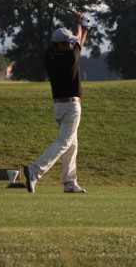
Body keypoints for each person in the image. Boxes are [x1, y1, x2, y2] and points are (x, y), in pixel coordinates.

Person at [24, 10, 91, 194]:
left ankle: (70, 182)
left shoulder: (49, 56)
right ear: (60, 45)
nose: (70, 44)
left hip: (58, 107)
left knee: (72, 144)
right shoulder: (70, 57)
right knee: (63, 142)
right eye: (67, 43)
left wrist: (84, 26)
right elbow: (78, 41)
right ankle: (34, 171)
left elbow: (77, 41)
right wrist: (79, 22)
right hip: (71, 106)